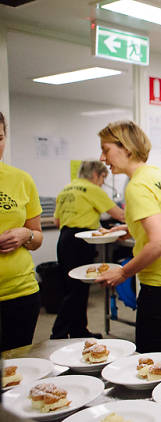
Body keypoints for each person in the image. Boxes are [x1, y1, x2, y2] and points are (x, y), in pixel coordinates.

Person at [97, 120, 161, 352]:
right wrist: (129, 228)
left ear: (126, 148)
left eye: (106, 150)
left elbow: (160, 241)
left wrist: (123, 272)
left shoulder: (137, 186)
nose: (102, 158)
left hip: (159, 286)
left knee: (152, 359)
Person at [51, 160, 125, 339]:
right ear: (95, 175)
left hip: (64, 239)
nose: (102, 183)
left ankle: (79, 330)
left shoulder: (66, 189)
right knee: (77, 290)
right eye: (102, 178)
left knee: (75, 288)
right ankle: (58, 333)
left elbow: (57, 222)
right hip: (81, 241)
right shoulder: (92, 190)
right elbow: (119, 215)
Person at [0, 111, 44, 351]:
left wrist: (24, 235)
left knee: (16, 370)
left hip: (21, 293)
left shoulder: (21, 180)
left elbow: (36, 237)